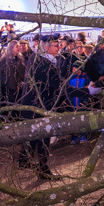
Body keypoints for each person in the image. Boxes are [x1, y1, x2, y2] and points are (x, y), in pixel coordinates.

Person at [17, 35, 64, 180]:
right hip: (40, 106)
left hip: (32, 105)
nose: (59, 48)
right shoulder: (44, 63)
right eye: (56, 45)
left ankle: (24, 160)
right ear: (47, 46)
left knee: (33, 136)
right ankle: (43, 169)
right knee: (43, 138)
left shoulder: (35, 58)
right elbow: (57, 86)